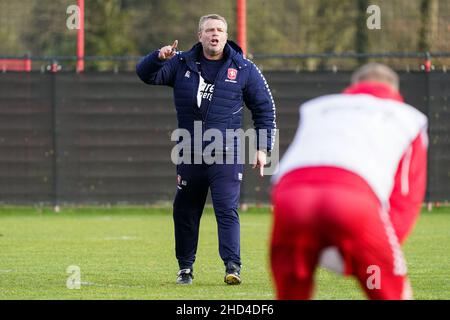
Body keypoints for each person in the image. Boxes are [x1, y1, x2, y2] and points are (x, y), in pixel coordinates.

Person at [136, 14, 276, 285]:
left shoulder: (244, 68)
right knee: (185, 211)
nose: (215, 34)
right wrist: (158, 56)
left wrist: (263, 148)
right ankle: (185, 269)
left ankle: (232, 266)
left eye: (220, 30)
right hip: (189, 151)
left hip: (227, 152)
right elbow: (146, 75)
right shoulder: (180, 63)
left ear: (226, 35)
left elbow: (264, 108)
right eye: (210, 30)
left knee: (226, 209)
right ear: (199, 35)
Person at [270, 63, 428, 299]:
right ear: (395, 93)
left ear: (352, 88)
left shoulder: (318, 108)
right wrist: (359, 253)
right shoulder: (409, 118)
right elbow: (406, 198)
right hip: (353, 199)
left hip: (290, 197)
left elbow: (297, 161)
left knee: (291, 294)